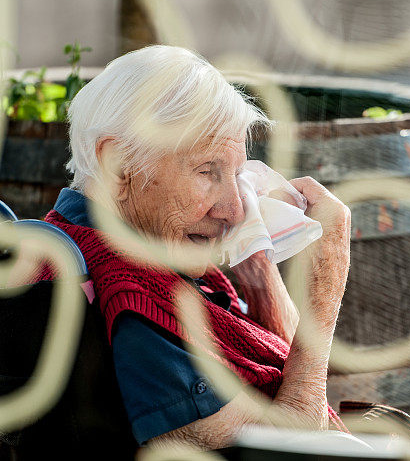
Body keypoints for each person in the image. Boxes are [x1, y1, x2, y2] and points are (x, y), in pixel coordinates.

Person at [35, 44, 353, 450]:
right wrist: (325, 285)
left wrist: (257, 268)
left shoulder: (127, 248)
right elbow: (297, 445)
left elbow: (286, 367)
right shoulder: (133, 296)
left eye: (237, 175)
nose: (235, 209)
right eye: (208, 171)